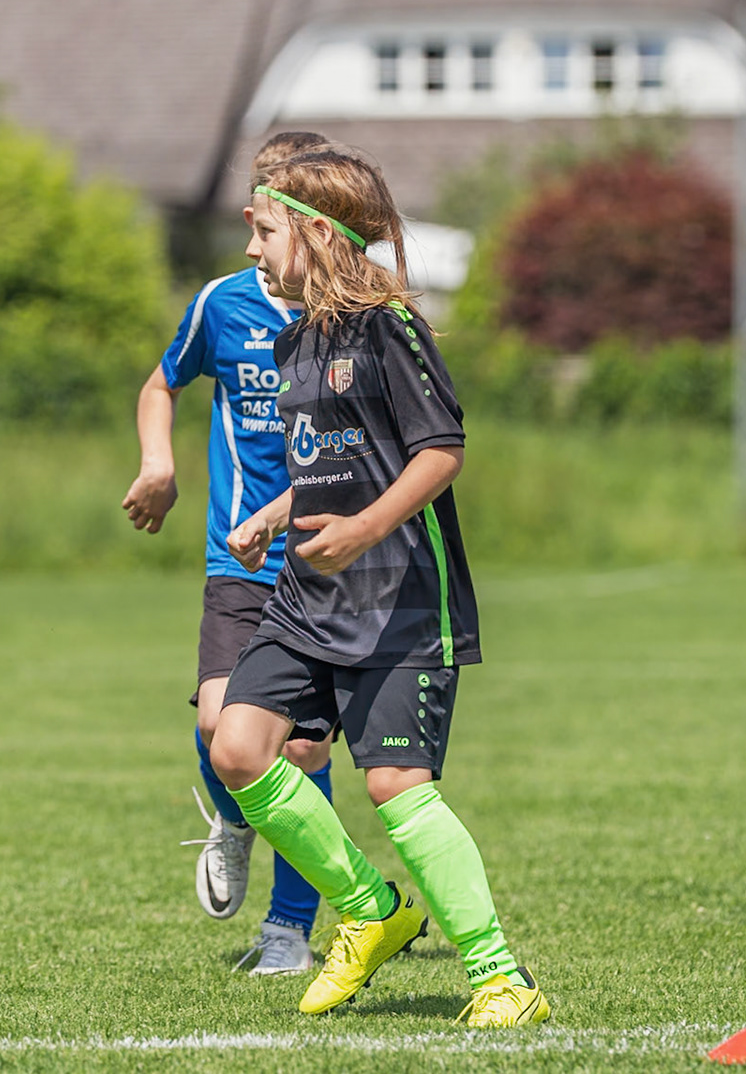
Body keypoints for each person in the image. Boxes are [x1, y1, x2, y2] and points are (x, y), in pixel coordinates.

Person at [208, 148, 548, 1027]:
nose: (252, 249)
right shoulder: (295, 340)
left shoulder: (390, 329)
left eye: (265, 229)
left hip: (398, 597)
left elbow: (439, 453)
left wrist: (362, 530)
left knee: (396, 784)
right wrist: (277, 514)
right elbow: (333, 465)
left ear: (318, 234)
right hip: (308, 597)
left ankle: (502, 980)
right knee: (237, 747)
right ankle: (372, 910)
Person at [123, 131, 338, 975]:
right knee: (220, 728)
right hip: (238, 562)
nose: (254, 234)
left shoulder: (349, 317)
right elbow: (161, 384)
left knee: (303, 752)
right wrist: (159, 464)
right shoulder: (222, 304)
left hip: (327, 563)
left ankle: (288, 932)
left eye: (269, 216)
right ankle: (237, 818)